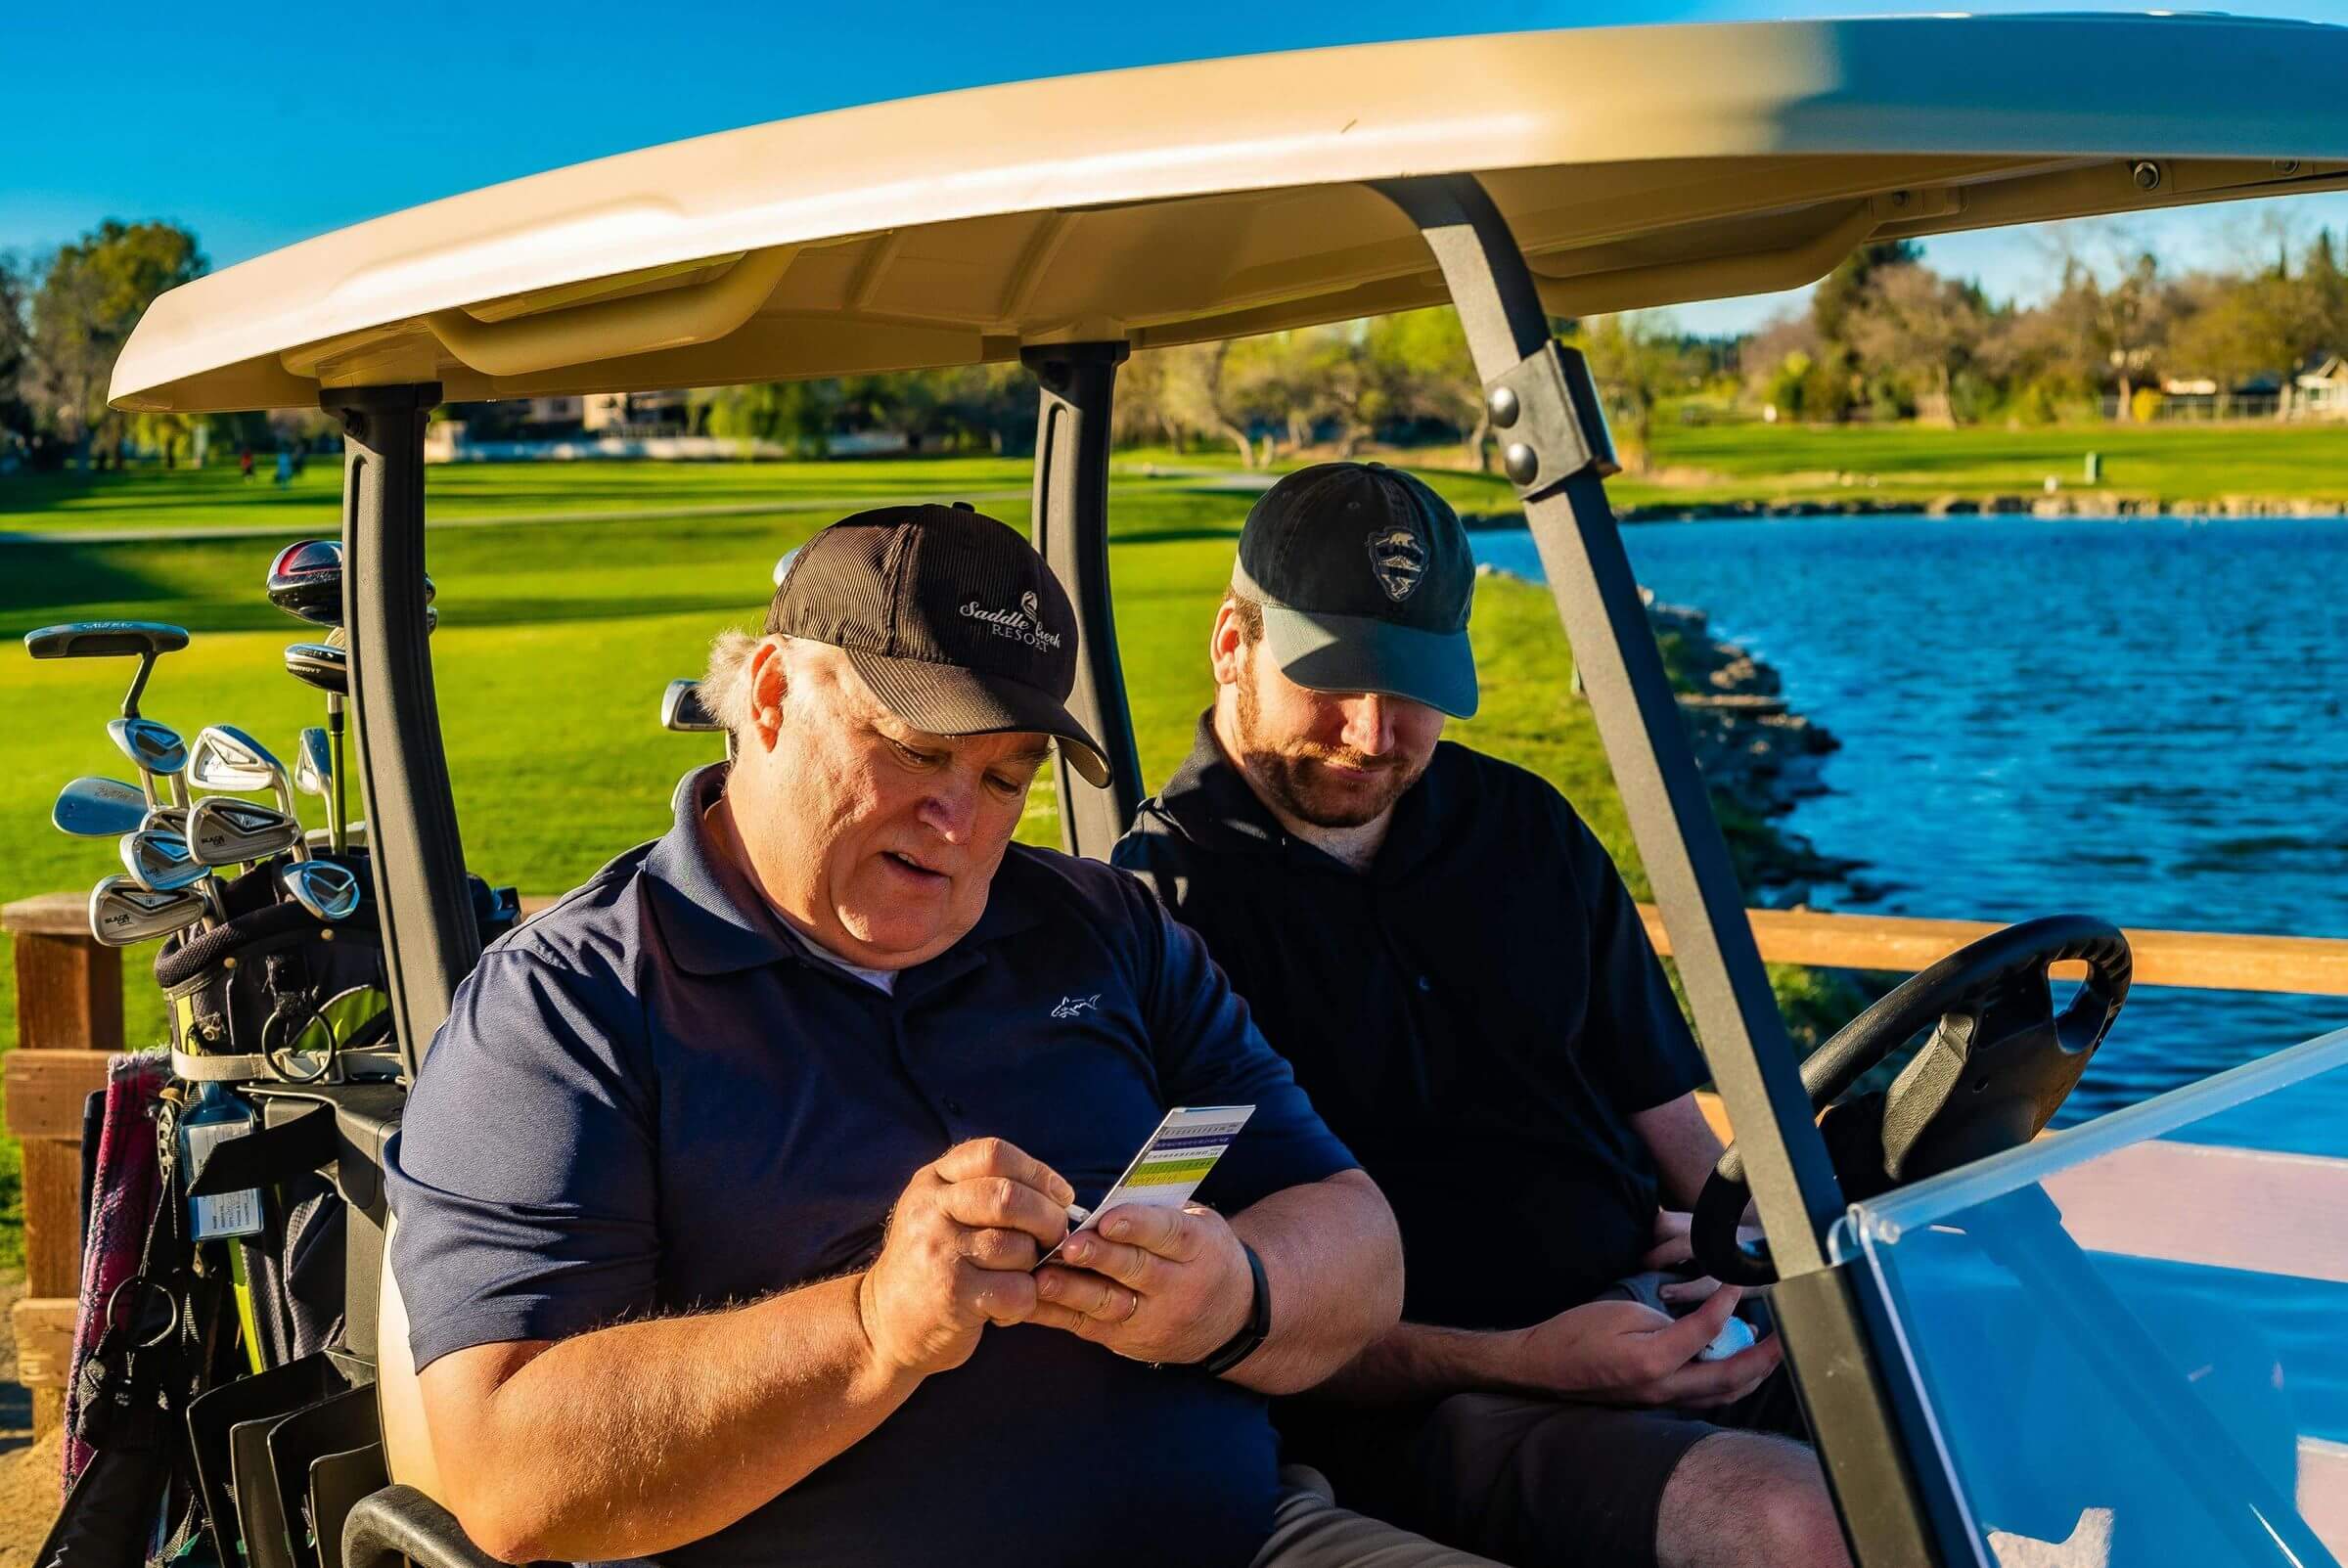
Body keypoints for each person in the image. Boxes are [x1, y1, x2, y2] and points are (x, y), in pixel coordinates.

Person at [386, 502, 1505, 1568]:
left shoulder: (1106, 930)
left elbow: (1361, 1247)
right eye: (918, 753)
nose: (960, 822)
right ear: (771, 696)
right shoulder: (570, 1006)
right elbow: (506, 1476)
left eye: (1005, 776)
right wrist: (874, 1326)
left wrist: (1235, 1293)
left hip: (1246, 1538)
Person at [1113, 464, 1851, 1568]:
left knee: (1985, 1391)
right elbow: (1208, 1312)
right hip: (1432, 1403)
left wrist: (1749, 1249)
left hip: (1658, 1315)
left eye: (1413, 686)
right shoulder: (1159, 917)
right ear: (1232, 644)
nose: (1374, 732)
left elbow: (1668, 1118)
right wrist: (1524, 1358)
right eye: (1333, 680)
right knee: (1801, 1521)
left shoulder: (1522, 827)